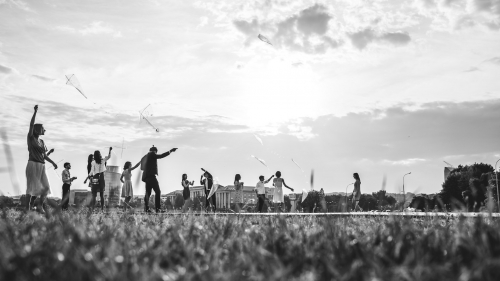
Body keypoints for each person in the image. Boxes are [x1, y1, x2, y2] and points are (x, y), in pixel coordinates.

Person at [26, 105, 58, 214]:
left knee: (46, 187)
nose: (45, 130)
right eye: (43, 128)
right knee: (32, 189)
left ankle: (39, 206)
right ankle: (28, 209)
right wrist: (35, 112)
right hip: (33, 164)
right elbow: (31, 125)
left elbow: (44, 155)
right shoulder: (31, 138)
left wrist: (53, 162)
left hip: (42, 165)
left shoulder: (42, 142)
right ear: (38, 129)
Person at [140, 146, 178, 213]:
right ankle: (158, 209)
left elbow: (142, 168)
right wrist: (170, 151)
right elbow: (161, 156)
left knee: (148, 193)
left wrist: (148, 167)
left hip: (146, 177)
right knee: (158, 191)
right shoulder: (152, 154)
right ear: (155, 151)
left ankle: (146, 209)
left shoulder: (145, 156)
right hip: (151, 176)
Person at [89, 147, 112, 212]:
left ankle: (93, 208)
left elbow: (91, 171)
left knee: (94, 194)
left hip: (95, 177)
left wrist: (88, 176)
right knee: (102, 194)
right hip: (101, 177)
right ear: (99, 154)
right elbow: (109, 157)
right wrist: (110, 150)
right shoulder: (103, 160)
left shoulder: (93, 162)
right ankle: (102, 209)